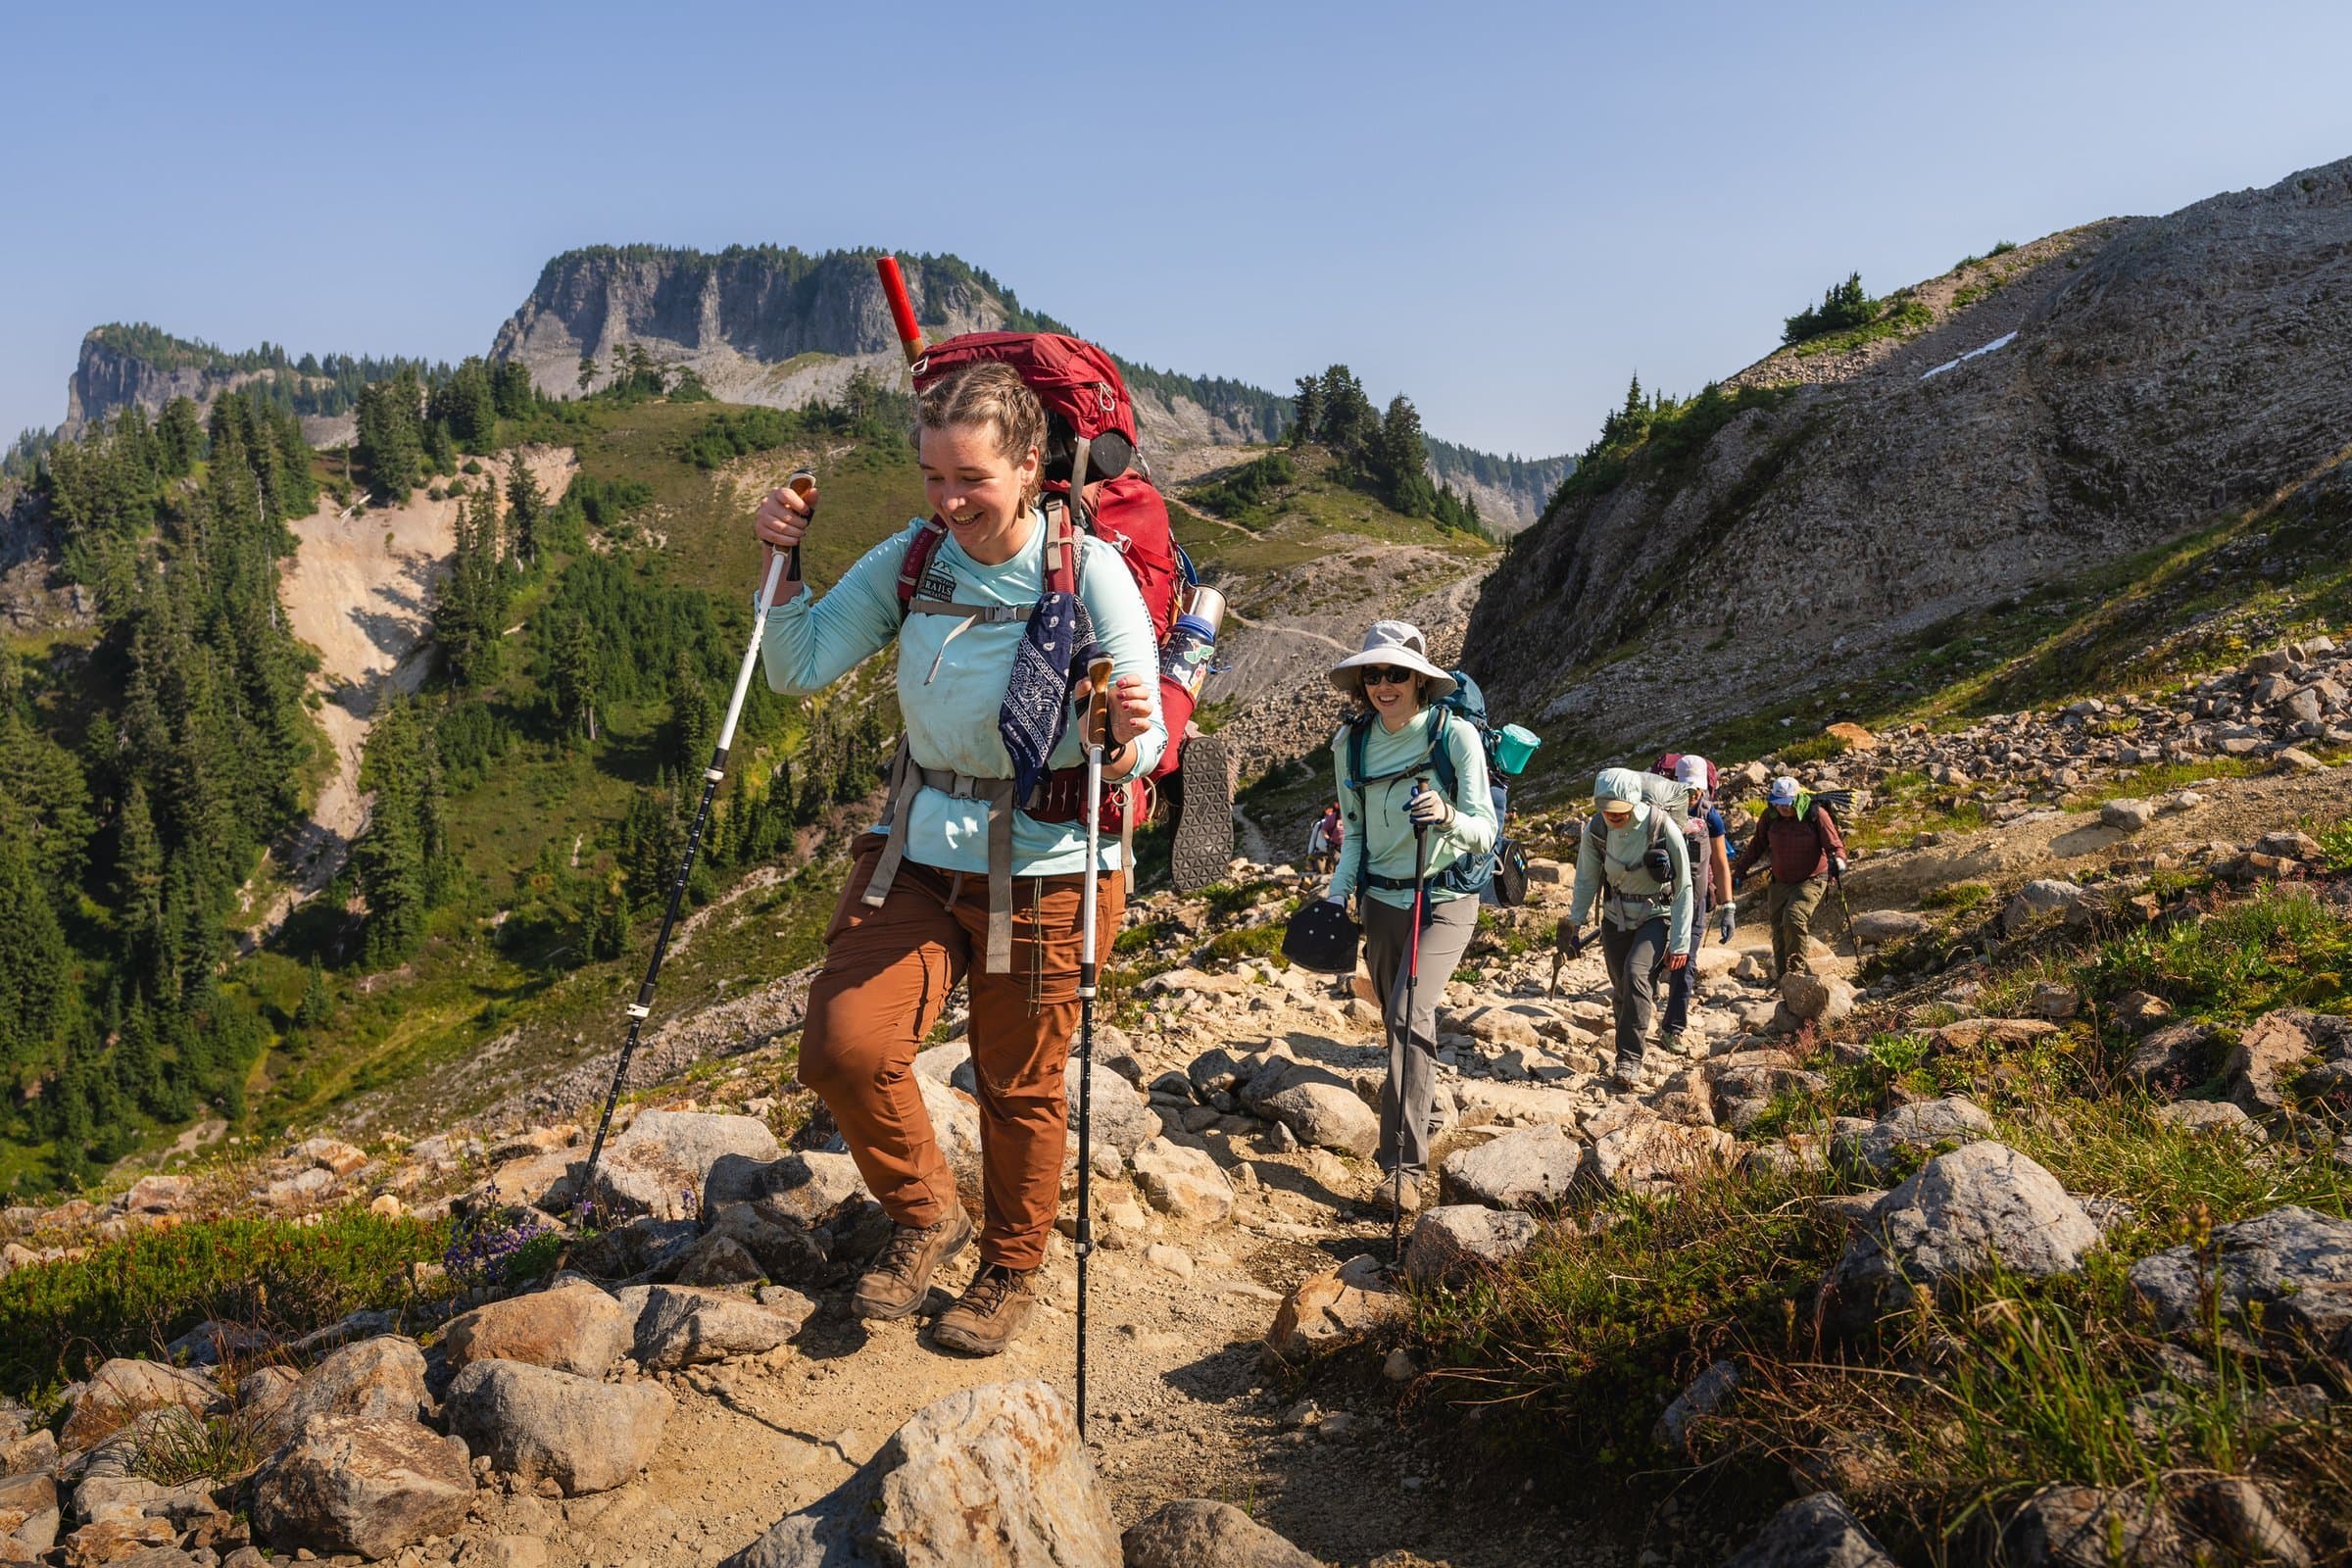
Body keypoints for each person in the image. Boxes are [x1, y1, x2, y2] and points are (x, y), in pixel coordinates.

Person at [750, 362, 1164, 1357]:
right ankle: (926, 1211)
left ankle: (1013, 1266)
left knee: (1017, 1082)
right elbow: (797, 665)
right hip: (922, 849)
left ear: (1030, 466)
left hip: (1051, 858)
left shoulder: (1089, 570)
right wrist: (782, 562)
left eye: (970, 478)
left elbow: (1139, 742)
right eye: (933, 477)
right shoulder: (916, 559)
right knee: (844, 1049)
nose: (949, 500)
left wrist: (1121, 732)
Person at [1320, 621, 1496, 1214]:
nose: (1384, 684)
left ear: (1421, 680)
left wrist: (1445, 814)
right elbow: (1355, 836)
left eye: (1397, 673)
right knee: (1401, 1022)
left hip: (1444, 899)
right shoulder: (1353, 745)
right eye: (1374, 673)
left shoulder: (1456, 738)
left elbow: (1483, 831)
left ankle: (1403, 1169)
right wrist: (1335, 893)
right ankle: (1427, 1106)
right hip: (1381, 902)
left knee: (1407, 1012)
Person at [1567, 768, 1694, 1086]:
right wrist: (1575, 922)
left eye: (1618, 811)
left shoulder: (1660, 825)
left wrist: (1680, 943)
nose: (1612, 816)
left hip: (1655, 915)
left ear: (1633, 802)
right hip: (1615, 916)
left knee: (1636, 973)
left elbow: (1684, 887)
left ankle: (1628, 1061)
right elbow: (1585, 877)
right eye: (1606, 809)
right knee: (1623, 988)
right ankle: (1640, 1006)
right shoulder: (1596, 829)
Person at [1731, 774, 1848, 980]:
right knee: (1778, 929)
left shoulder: (1815, 814)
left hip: (1811, 879)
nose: (1784, 809)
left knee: (1793, 918)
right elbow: (1756, 846)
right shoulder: (1771, 816)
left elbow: (1835, 845)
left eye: (1788, 804)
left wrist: (1839, 860)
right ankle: (1783, 977)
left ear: (1797, 798)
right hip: (1780, 881)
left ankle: (1795, 974)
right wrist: (1739, 872)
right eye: (1779, 804)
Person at [1657, 755, 1735, 1048]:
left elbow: (1720, 861)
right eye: (1688, 789)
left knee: (1685, 964)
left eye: (1697, 790)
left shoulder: (1710, 815)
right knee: (1651, 958)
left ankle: (1673, 1028)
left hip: (1696, 899)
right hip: (1660, 896)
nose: (1693, 795)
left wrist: (1728, 907)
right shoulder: (1658, 810)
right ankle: (1637, 1015)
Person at [1305, 803, 1344, 880]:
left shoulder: (1334, 821)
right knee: (1322, 871)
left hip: (1330, 848)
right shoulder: (1320, 824)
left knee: (1331, 870)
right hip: (1321, 851)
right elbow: (1314, 837)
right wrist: (1310, 852)